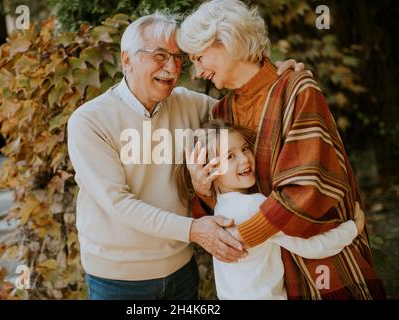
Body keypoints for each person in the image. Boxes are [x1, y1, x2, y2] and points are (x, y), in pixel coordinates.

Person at [67, 11, 303, 299]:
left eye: (178, 58)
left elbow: (249, 110)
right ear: (126, 59)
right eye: (160, 56)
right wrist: (194, 230)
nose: (172, 67)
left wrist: (280, 80)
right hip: (118, 281)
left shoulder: (191, 105)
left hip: (181, 272)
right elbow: (118, 203)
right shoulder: (89, 121)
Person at [177, 0, 385, 299]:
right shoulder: (221, 113)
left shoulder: (298, 90)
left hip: (318, 256)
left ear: (226, 40)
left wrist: (243, 236)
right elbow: (226, 200)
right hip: (265, 272)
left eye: (199, 58)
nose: (196, 72)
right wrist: (204, 189)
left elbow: (308, 188)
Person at [176, 120, 366, 299]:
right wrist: (353, 228)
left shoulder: (220, 207)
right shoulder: (253, 206)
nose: (245, 159)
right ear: (209, 170)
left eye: (245, 148)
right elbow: (311, 247)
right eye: (230, 156)